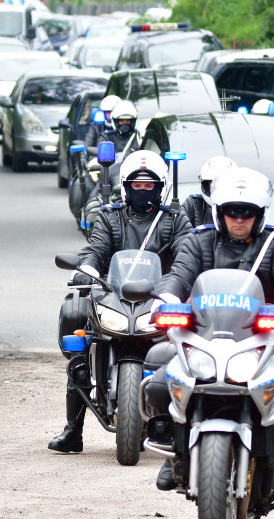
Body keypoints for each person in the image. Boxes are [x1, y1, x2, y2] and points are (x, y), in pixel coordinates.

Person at [144, 167, 274, 495]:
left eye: (247, 213)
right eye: (231, 212)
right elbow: (179, 274)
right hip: (203, 339)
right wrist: (164, 299)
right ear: (218, 212)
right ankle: (173, 454)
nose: (238, 220)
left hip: (260, 340)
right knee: (156, 386)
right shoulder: (199, 240)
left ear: (260, 214)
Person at [49, 150, 192, 454]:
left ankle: (180, 428)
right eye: (136, 186)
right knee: (81, 348)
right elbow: (96, 247)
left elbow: (187, 251)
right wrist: (87, 267)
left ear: (160, 186)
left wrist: (184, 276)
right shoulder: (110, 215)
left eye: (148, 185)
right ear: (126, 187)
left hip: (158, 299)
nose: (142, 191)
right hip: (115, 294)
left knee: (188, 350)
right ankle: (73, 431)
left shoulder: (174, 218)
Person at [181, 156, 237, 227]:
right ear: (206, 184)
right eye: (213, 182)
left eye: (224, 182)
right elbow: (181, 233)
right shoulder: (193, 204)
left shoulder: (243, 206)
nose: (218, 186)